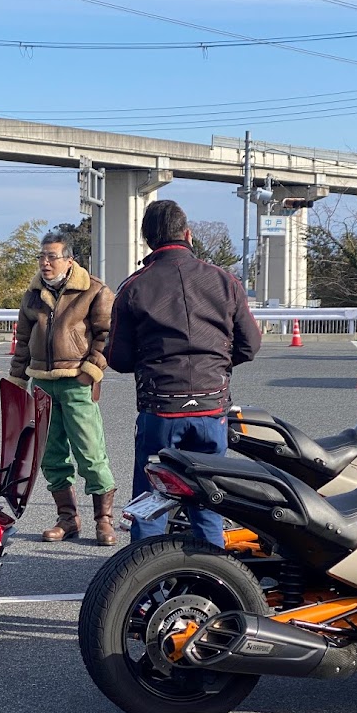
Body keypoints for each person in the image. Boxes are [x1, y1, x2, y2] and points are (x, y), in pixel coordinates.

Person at [105, 200, 261, 548]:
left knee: (152, 498)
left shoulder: (134, 287)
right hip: (211, 406)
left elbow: (118, 357)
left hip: (161, 408)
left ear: (148, 240)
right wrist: (217, 365)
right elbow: (249, 345)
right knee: (209, 499)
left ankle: (144, 572)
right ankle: (214, 570)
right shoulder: (224, 281)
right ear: (188, 234)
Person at [7, 230, 118, 546]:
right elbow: (23, 341)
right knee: (50, 455)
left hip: (76, 382)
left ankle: (104, 521)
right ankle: (67, 519)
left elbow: (107, 334)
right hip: (42, 384)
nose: (45, 263)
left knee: (90, 452)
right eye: (41, 257)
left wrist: (91, 370)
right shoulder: (32, 294)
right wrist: (17, 379)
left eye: (52, 257)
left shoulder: (94, 290)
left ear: (69, 260)